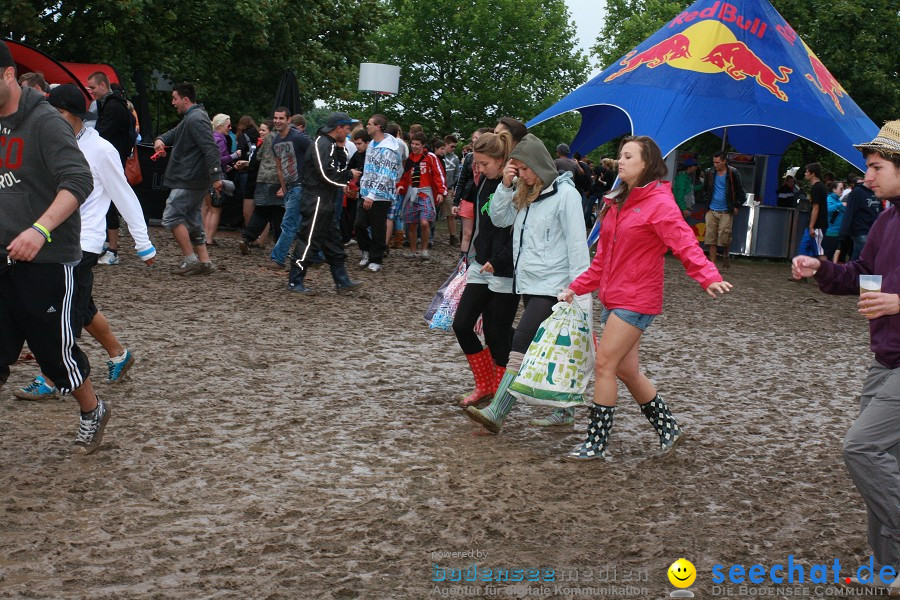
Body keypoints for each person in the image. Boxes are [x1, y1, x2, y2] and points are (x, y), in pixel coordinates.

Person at [559, 136, 732, 460]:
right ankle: (668, 427)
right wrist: (576, 287)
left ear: (647, 163)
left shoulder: (659, 203)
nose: (620, 161)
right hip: (613, 297)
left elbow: (684, 243)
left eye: (628, 156)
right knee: (626, 370)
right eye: (620, 155)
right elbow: (602, 260)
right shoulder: (616, 201)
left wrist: (708, 276)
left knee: (605, 364)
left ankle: (596, 444)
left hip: (637, 299)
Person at [791, 120, 900, 594]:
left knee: (862, 448)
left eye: (875, 168)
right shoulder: (887, 217)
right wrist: (823, 267)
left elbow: (890, 292)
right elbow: (863, 274)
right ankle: (891, 569)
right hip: (885, 356)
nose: (867, 178)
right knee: (883, 459)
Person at [0, 43, 109, 454]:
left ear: (8, 75)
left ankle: (93, 409)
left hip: (46, 258)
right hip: (1, 256)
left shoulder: (46, 122)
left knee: (54, 354)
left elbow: (78, 182)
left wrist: (39, 230)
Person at [16, 84, 157, 400]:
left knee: (61, 311)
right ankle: (119, 354)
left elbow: (125, 195)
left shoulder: (101, 150)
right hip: (55, 238)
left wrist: (143, 242)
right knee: (81, 306)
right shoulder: (51, 144)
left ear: (75, 115)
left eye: (58, 113)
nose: (52, 119)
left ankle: (50, 378)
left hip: (86, 242)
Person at [463, 133, 590, 433]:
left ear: (538, 163)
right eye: (516, 169)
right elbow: (500, 218)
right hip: (528, 283)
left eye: (524, 169)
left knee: (519, 342)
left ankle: (497, 412)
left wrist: (578, 288)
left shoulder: (566, 195)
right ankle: (565, 412)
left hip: (556, 286)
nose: (522, 174)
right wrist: (506, 186)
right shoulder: (525, 193)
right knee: (548, 347)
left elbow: (577, 244)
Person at [452, 131, 519, 407]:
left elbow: (518, 232)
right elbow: (483, 225)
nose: (477, 169)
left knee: (496, 332)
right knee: (462, 324)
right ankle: (485, 385)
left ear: (502, 159)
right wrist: (474, 256)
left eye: (483, 163)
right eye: (476, 164)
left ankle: (500, 395)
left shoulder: (517, 184)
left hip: (505, 269)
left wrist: (500, 259)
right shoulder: (483, 182)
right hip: (481, 264)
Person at [287, 112, 363, 295]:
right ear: (338, 128)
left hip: (325, 199)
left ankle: (342, 281)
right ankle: (294, 281)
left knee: (333, 241)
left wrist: (341, 151)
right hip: (317, 200)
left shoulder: (329, 144)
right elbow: (327, 174)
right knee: (309, 240)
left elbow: (336, 168)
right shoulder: (322, 144)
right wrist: (348, 177)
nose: (348, 133)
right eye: (347, 129)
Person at [152, 82, 223, 275]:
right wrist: (161, 140)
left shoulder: (196, 119)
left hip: (190, 178)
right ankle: (205, 262)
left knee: (172, 216)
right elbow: (175, 132)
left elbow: (211, 148)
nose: (173, 102)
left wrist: (217, 176)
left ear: (185, 99)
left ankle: (190, 259)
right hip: (193, 178)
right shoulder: (192, 117)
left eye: (175, 99)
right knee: (192, 219)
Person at [87, 72, 134, 266]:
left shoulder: (113, 107)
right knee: (105, 202)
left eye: (93, 88)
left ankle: (113, 250)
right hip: (110, 161)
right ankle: (107, 244)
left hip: (110, 163)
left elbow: (103, 134)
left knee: (110, 203)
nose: (90, 92)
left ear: (104, 86)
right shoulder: (112, 104)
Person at [357, 115, 403, 273]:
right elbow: (369, 169)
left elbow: (385, 174)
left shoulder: (389, 149)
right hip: (365, 192)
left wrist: (372, 195)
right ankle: (367, 251)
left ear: (378, 127)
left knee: (378, 228)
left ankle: (376, 258)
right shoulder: (371, 145)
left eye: (369, 124)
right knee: (359, 224)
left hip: (380, 195)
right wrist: (363, 189)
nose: (367, 127)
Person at [265, 108, 312, 264]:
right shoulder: (276, 141)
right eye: (275, 118)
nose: (278, 121)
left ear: (289, 120)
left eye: (281, 118)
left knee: (288, 223)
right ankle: (315, 255)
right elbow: (279, 168)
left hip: (300, 184)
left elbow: (315, 153)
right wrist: (284, 188)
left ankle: (277, 258)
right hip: (290, 186)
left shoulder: (298, 137)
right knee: (299, 224)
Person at [397, 132, 447, 259]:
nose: (414, 146)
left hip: (426, 193)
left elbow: (438, 175)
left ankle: (424, 250)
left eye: (417, 144)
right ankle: (413, 251)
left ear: (423, 145)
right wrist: (400, 186)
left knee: (425, 222)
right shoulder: (409, 160)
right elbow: (405, 176)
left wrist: (441, 192)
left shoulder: (431, 157)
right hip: (411, 193)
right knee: (412, 224)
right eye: (412, 144)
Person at [703, 152, 746, 269]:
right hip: (712, 209)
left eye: (717, 162)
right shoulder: (710, 172)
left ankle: (726, 254)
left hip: (726, 210)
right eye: (714, 162)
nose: (715, 165)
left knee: (724, 237)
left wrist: (736, 205)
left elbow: (741, 192)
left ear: (724, 161)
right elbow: (706, 189)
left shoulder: (733, 173)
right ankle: (713, 265)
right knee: (711, 238)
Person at [205, 113, 241, 246]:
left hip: (208, 175)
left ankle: (206, 236)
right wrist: (234, 156)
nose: (230, 128)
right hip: (216, 177)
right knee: (216, 208)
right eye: (228, 125)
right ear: (220, 126)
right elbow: (219, 159)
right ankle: (209, 238)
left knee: (209, 208)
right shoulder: (220, 139)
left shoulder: (211, 138)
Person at [841, 176, 883, 260]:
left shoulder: (875, 192)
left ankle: (852, 271)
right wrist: (843, 233)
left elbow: (880, 212)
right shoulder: (857, 191)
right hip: (860, 230)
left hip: (872, 230)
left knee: (857, 258)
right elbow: (849, 212)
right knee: (869, 257)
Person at [802, 162, 828, 260]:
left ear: (812, 174)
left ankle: (828, 273)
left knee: (819, 251)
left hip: (817, 226)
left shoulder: (816, 188)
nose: (805, 173)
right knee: (805, 248)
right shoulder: (821, 187)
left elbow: (816, 208)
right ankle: (803, 270)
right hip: (816, 225)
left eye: (807, 172)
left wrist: (811, 226)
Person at [823, 180, 845, 261]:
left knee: (834, 253)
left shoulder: (837, 200)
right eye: (841, 189)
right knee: (828, 255)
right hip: (830, 233)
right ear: (834, 189)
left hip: (837, 232)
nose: (842, 191)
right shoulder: (829, 199)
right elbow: (827, 209)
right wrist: (840, 205)